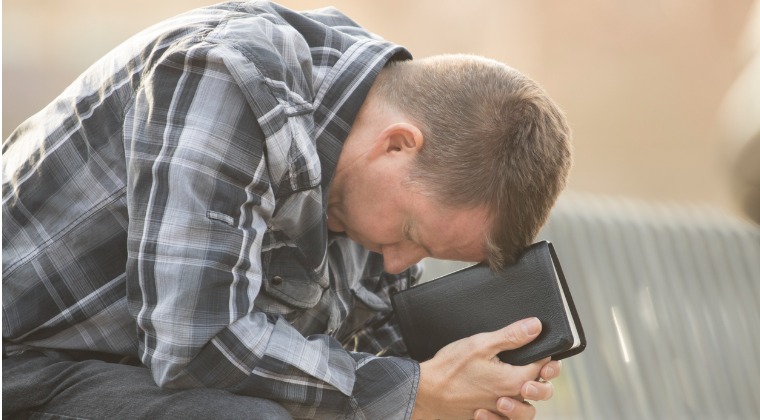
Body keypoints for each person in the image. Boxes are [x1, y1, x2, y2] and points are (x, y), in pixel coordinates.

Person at [2, 1, 572, 419]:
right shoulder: (227, 75)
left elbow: (372, 359)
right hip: (21, 365)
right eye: (411, 235)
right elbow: (199, 343)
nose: (400, 264)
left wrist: (466, 392)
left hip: (124, 380)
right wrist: (416, 391)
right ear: (397, 145)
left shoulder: (365, 178)